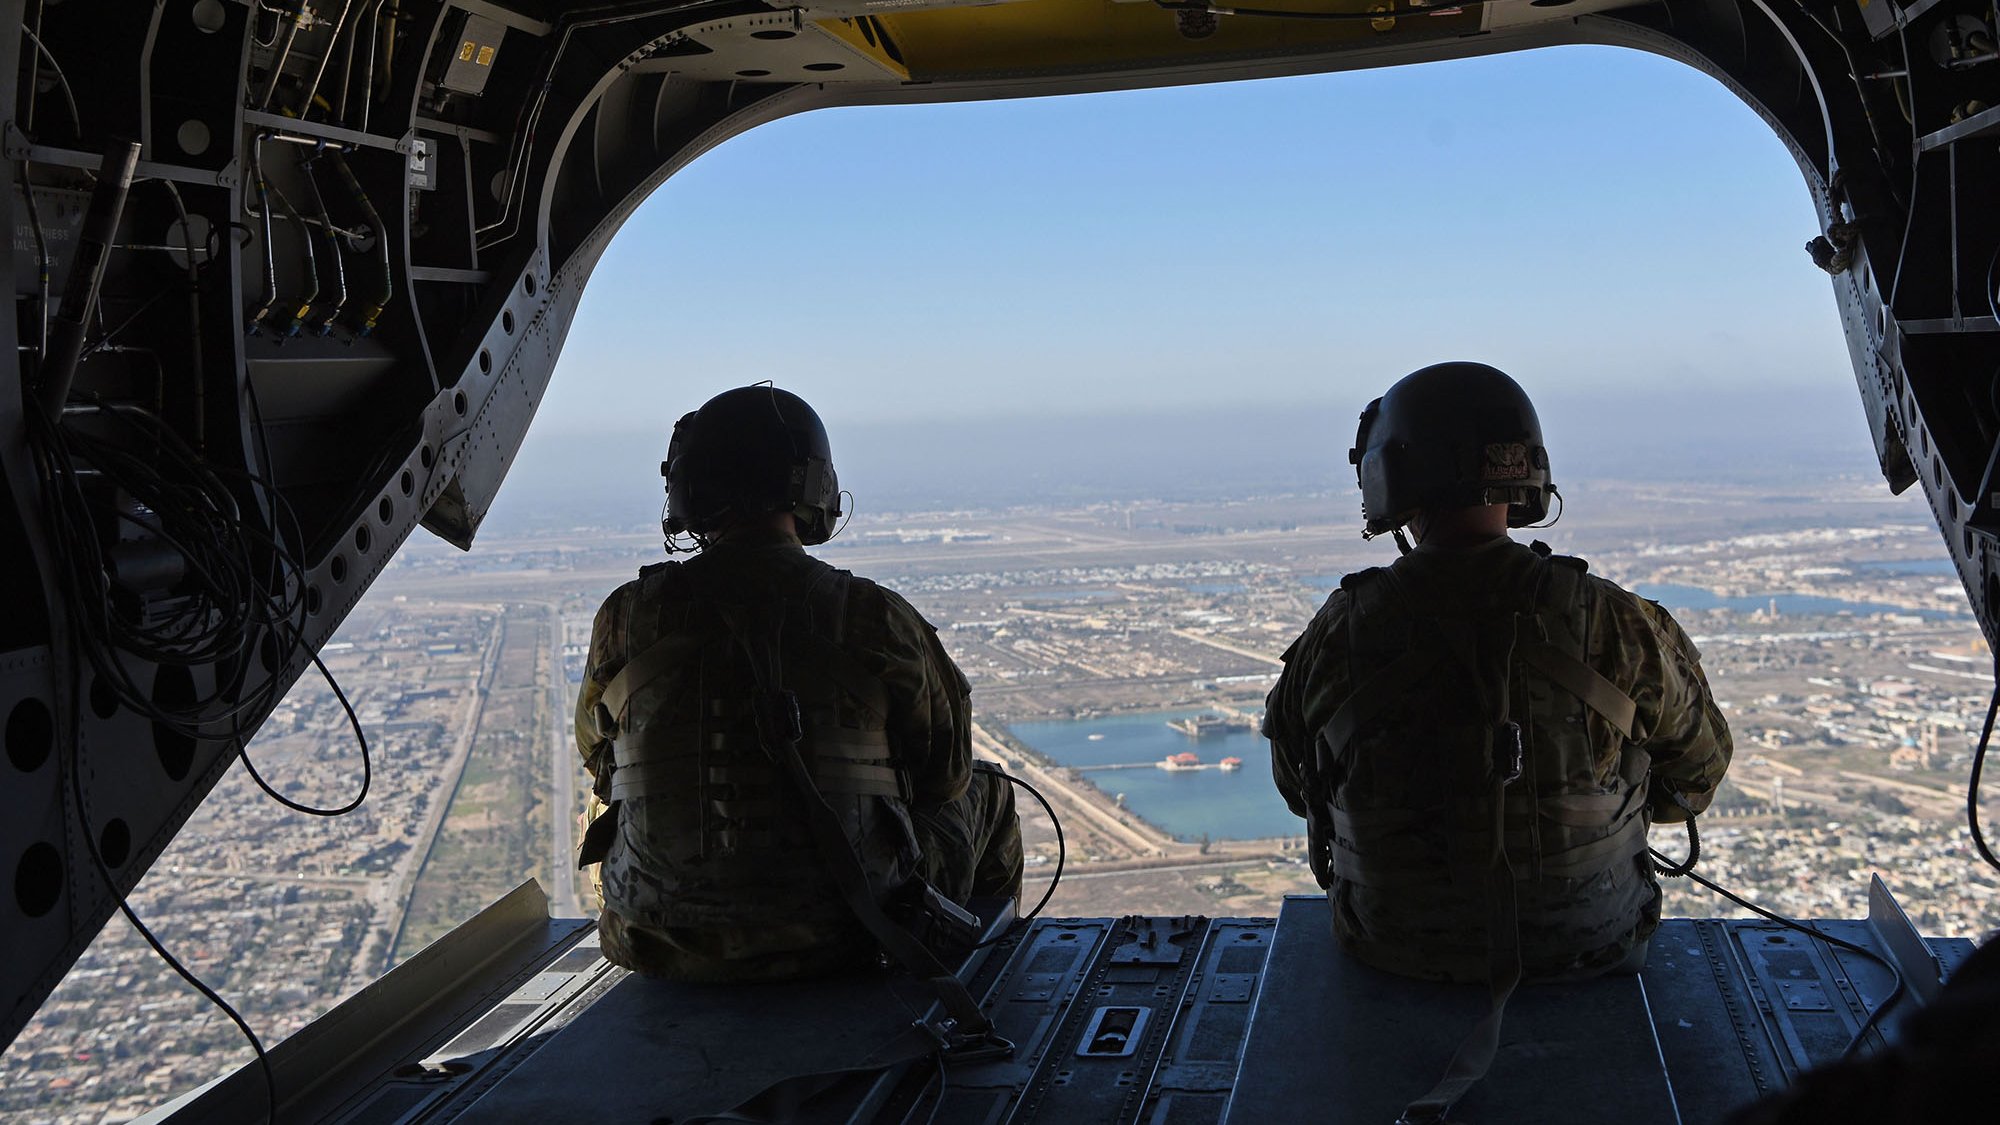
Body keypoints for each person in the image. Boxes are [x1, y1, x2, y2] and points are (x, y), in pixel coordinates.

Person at [1263, 361, 1733, 985]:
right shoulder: (1615, 620)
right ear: (1527, 475)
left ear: (1391, 476)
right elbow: (1696, 770)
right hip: (1593, 946)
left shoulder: (1342, 629)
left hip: (1394, 950)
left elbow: (1300, 789)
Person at [573, 384, 1022, 983]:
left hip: (656, 942)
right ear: (815, 487)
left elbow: (597, 754)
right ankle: (989, 981)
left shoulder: (626, 617)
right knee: (988, 789)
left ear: (688, 489)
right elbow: (945, 776)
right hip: (853, 936)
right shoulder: (874, 616)